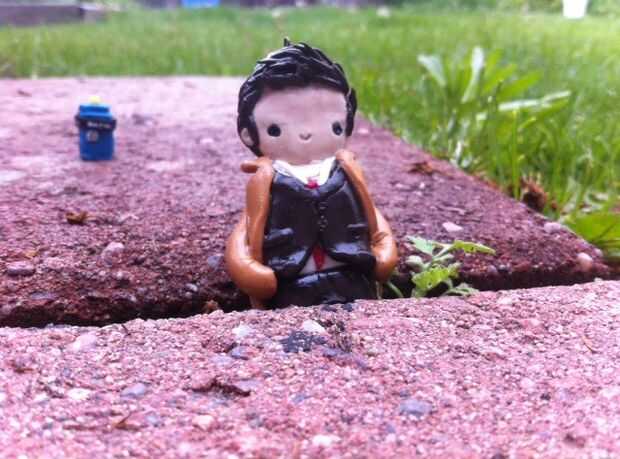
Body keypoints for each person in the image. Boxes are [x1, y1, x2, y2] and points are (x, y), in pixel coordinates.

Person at [226, 40, 398, 309]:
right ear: (248, 133)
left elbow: (372, 216)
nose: (306, 133)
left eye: (333, 126)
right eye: (276, 129)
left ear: (346, 124)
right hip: (291, 283)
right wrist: (248, 269)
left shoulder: (347, 172)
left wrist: (384, 251)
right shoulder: (266, 184)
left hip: (352, 275)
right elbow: (246, 230)